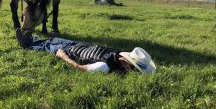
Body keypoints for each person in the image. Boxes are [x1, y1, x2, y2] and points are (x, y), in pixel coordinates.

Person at [16, 28, 156, 74]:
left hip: (72, 52)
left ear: (128, 67)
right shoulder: (117, 54)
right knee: (53, 39)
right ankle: (31, 38)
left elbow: (80, 67)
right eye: (130, 60)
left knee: (48, 45)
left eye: (131, 66)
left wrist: (64, 56)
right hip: (78, 45)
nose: (127, 63)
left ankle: (26, 43)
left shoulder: (104, 66)